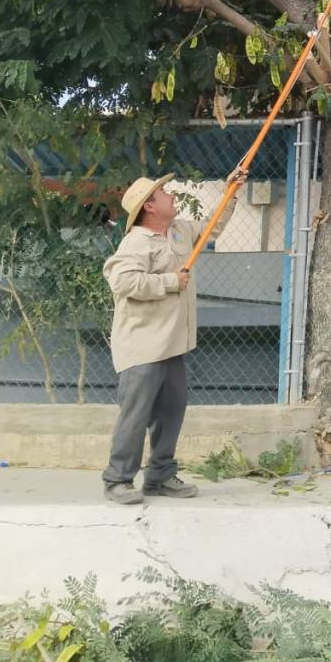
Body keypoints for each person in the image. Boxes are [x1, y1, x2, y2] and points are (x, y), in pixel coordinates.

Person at [101, 169, 246, 504]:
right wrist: (169, 281)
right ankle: (117, 480)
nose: (171, 194)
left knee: (171, 410)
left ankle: (160, 476)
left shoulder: (179, 231)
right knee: (135, 415)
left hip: (172, 345)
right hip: (143, 345)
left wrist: (231, 191)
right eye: (163, 192)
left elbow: (215, 225)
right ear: (149, 207)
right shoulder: (136, 242)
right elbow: (122, 282)